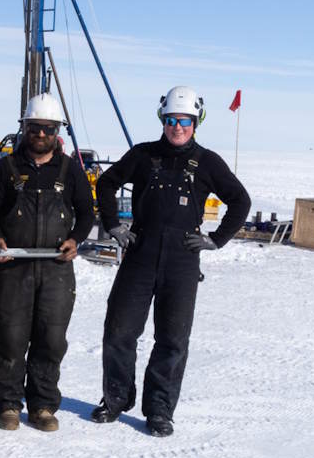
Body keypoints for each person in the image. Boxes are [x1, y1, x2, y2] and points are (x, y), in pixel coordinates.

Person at [91, 86, 250, 437]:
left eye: (185, 121)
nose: (177, 127)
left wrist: (216, 239)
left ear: (196, 122)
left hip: (182, 262)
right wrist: (113, 225)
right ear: (162, 120)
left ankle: (160, 410)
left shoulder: (208, 162)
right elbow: (105, 183)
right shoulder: (143, 155)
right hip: (140, 255)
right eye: (172, 120)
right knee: (119, 331)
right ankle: (115, 399)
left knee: (173, 339)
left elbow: (240, 201)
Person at [0, 92, 94, 432]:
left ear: (58, 131)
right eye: (34, 128)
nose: (40, 135)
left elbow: (86, 213)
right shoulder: (4, 169)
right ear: (23, 128)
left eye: (47, 128)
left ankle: (42, 404)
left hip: (56, 269)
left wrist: (76, 239)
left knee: (51, 339)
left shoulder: (70, 170)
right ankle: (8, 403)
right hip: (14, 267)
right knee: (11, 338)